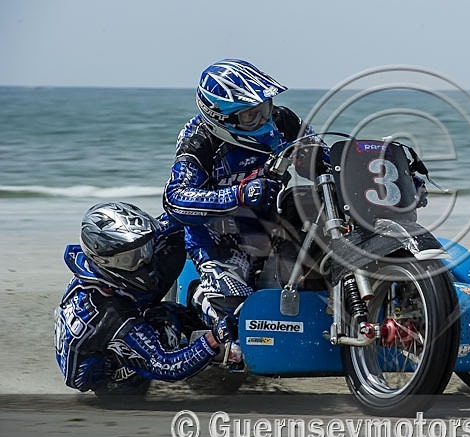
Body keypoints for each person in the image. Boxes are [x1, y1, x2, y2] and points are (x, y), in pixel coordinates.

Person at [162, 59, 329, 347]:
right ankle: (197, 296)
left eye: (265, 108)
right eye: (251, 115)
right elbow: (174, 198)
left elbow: (326, 160)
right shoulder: (198, 139)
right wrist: (239, 194)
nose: (264, 120)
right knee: (239, 327)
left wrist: (365, 169)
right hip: (217, 239)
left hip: (268, 225)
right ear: (222, 118)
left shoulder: (283, 121)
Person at [54, 202, 226, 396]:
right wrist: (215, 339)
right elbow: (166, 365)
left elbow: (184, 217)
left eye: (145, 249)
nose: (143, 260)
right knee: (166, 324)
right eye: (130, 259)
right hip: (105, 373)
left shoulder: (147, 236)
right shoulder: (108, 312)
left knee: (175, 308)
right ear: (105, 262)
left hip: (134, 311)